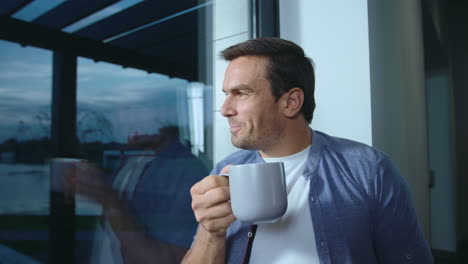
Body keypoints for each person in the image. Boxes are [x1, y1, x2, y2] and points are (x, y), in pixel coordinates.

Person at [182, 38, 433, 263]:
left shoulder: (369, 171)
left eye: (241, 93)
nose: (225, 109)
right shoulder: (225, 172)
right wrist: (210, 232)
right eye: (227, 94)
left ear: (291, 102)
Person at [67, 126, 208, 264]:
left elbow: (170, 259)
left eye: (137, 110)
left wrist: (109, 199)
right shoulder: (135, 159)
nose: (125, 121)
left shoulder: (185, 171)